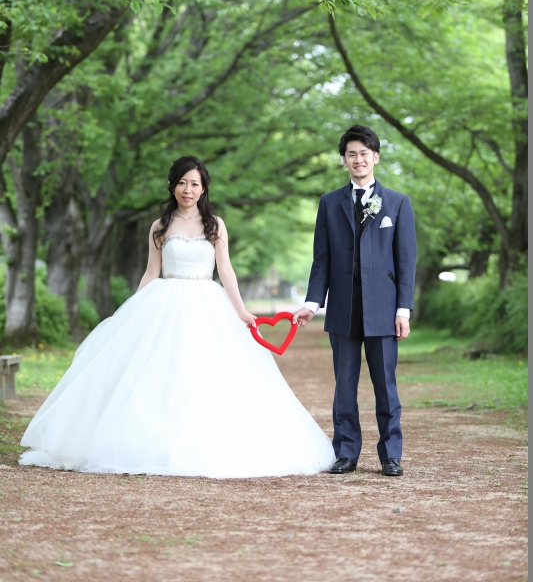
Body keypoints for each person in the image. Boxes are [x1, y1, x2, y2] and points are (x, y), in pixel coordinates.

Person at [20, 156, 334, 478]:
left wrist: (241, 310)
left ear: (203, 188)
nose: (188, 189)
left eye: (194, 184)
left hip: (207, 302)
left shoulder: (215, 225)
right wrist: (132, 310)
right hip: (164, 301)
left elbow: (226, 270)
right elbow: (151, 272)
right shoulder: (160, 226)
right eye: (182, 183)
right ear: (173, 186)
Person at [293, 125, 416, 477]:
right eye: (351, 154)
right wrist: (312, 304)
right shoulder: (329, 203)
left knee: (385, 385)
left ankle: (391, 454)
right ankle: (346, 452)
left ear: (375, 157)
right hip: (343, 308)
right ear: (344, 160)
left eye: (364, 153)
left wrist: (403, 310)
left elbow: (406, 260)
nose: (358, 159)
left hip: (384, 309)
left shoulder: (397, 203)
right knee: (344, 385)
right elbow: (322, 258)